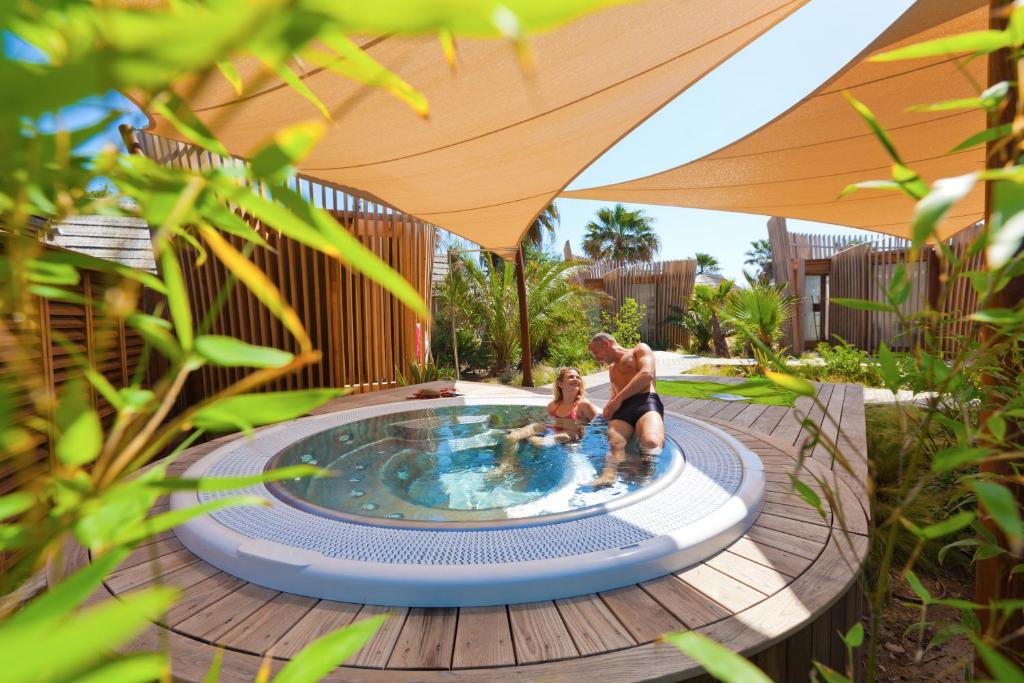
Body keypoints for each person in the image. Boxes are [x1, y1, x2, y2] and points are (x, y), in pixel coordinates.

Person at [587, 332, 665, 487]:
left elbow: (646, 374)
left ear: (606, 344)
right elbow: (615, 395)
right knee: (616, 444)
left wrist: (617, 400)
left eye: (596, 352)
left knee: (651, 442)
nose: (596, 358)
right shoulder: (611, 370)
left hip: (645, 401)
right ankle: (608, 475)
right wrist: (608, 410)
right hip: (622, 411)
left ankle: (647, 475)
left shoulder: (639, 350)